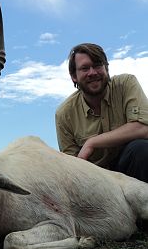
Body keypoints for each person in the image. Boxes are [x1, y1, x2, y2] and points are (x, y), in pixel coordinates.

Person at [55, 43, 148, 183]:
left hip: (133, 168)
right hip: (98, 183)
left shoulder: (126, 84)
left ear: (106, 68)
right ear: (74, 76)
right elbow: (72, 166)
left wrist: (92, 142)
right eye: (85, 68)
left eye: (97, 65)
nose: (92, 72)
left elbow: (143, 128)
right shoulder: (64, 114)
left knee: (140, 149)